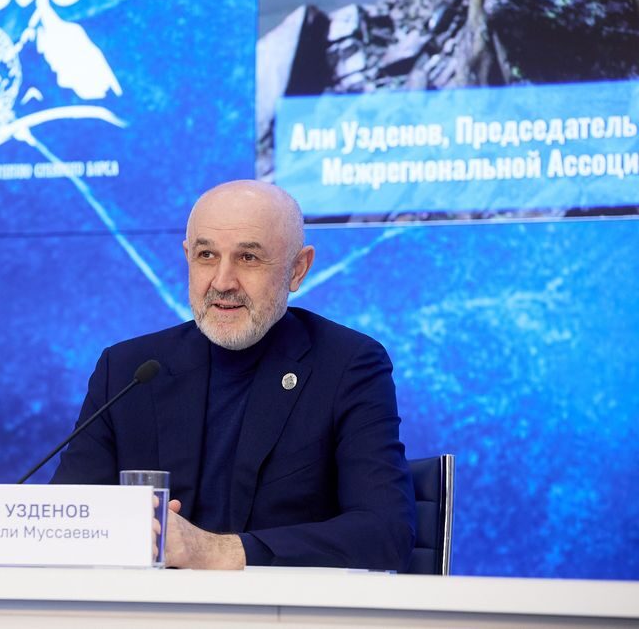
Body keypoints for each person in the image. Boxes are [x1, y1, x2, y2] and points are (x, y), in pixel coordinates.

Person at [51, 180, 416, 570]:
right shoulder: (129, 370)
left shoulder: (347, 365)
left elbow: (385, 532)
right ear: (188, 257)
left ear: (298, 269)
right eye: (206, 255)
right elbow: (65, 519)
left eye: (248, 258)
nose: (223, 282)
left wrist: (215, 551)